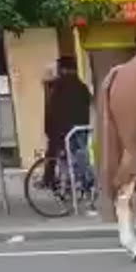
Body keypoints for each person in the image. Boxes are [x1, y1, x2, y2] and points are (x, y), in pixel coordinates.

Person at [43, 56, 93, 192]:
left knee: (67, 157)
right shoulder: (81, 86)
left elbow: (52, 109)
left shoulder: (58, 87)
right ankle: (85, 182)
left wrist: (50, 129)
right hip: (81, 127)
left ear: (62, 69)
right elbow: (88, 103)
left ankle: (72, 183)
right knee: (80, 155)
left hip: (64, 128)